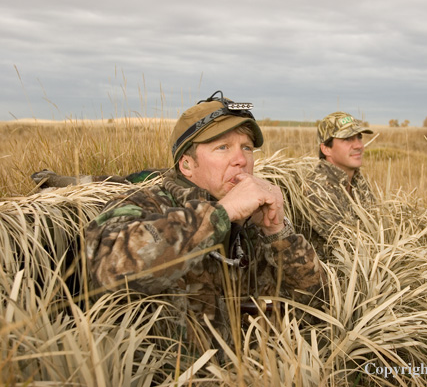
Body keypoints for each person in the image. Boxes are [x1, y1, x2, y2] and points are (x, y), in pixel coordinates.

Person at [84, 91, 326, 350]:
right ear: (187, 165)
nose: (241, 160)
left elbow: (317, 307)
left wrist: (277, 231)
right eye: (222, 147)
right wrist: (221, 214)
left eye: (246, 147)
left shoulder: (251, 221)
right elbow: (110, 271)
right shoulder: (141, 205)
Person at [303, 112, 376, 261]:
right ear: (326, 149)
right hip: (332, 276)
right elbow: (349, 244)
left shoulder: (356, 179)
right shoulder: (316, 188)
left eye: (359, 137)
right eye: (347, 139)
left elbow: (377, 220)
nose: (359, 146)